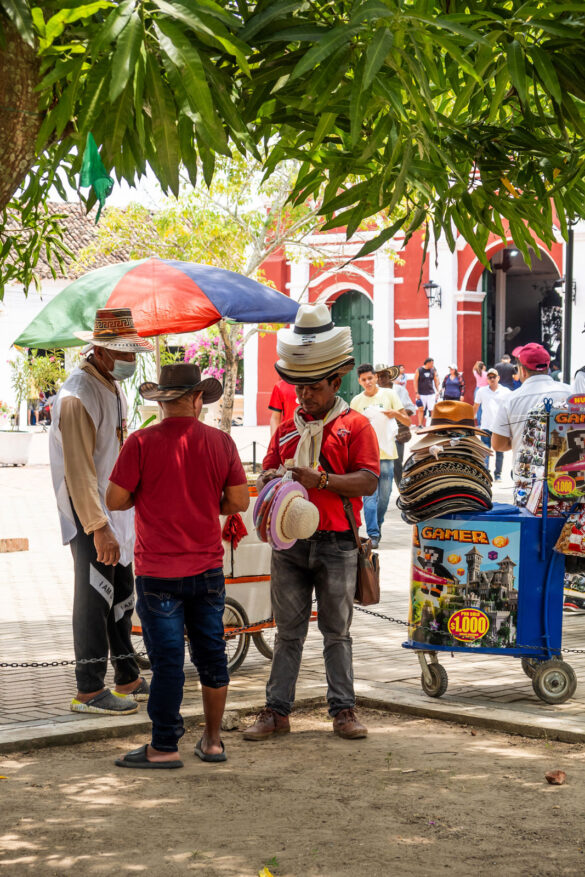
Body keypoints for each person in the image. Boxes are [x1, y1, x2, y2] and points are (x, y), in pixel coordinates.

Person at [244, 304, 379, 742]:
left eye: (314, 389)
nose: (305, 398)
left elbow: (369, 481)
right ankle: (276, 711)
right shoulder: (285, 430)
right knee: (287, 632)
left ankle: (343, 710)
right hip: (290, 546)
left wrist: (319, 479)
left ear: (335, 382)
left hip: (338, 541)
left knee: (336, 632)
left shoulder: (356, 425)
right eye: (301, 390)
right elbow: (266, 468)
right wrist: (269, 476)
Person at [107, 363, 249, 769]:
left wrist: (148, 496)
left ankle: (164, 746)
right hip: (207, 568)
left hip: (158, 574)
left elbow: (115, 499)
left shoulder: (140, 442)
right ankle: (213, 741)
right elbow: (239, 501)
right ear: (198, 398)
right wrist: (206, 503)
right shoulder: (221, 443)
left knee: (168, 660)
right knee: (212, 656)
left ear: (162, 401)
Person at [49, 308, 153, 715]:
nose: (128, 360)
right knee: (94, 597)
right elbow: (78, 470)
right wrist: (98, 527)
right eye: (121, 352)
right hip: (89, 512)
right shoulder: (78, 395)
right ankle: (88, 689)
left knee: (120, 594)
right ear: (100, 351)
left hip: (113, 510)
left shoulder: (109, 384)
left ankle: (127, 674)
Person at [351, 363, 410, 546]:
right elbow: (352, 429)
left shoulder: (390, 395)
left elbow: (407, 420)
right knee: (370, 496)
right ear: (359, 381)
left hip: (387, 454)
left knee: (384, 497)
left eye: (370, 378)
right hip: (366, 456)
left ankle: (378, 525)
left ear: (375, 378)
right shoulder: (356, 402)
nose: (368, 382)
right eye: (364, 379)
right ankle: (373, 534)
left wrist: (394, 413)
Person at [492, 343, 572, 462]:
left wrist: (519, 439)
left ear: (522, 370)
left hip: (527, 476)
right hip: (564, 477)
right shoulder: (571, 393)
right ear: (547, 367)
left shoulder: (510, 400)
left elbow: (498, 444)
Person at [375, 363, 415, 487]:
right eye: (379, 376)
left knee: (397, 463)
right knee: (380, 463)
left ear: (390, 376)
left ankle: (401, 490)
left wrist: (395, 413)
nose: (381, 379)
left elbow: (410, 409)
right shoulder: (374, 392)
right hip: (380, 433)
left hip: (398, 432)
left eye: (384, 376)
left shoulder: (399, 390)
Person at [473, 368, 511, 480]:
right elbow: (475, 407)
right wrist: (470, 420)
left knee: (499, 451)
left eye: (494, 377)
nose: (492, 379)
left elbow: (511, 408)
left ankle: (498, 474)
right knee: (485, 450)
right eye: (490, 377)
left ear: (498, 378)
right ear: (487, 379)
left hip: (500, 427)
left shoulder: (506, 391)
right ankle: (486, 473)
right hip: (486, 425)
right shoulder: (481, 391)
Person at [413, 357, 439, 426]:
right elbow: (415, 381)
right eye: (432, 363)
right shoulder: (419, 370)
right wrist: (416, 392)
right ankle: (420, 425)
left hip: (431, 394)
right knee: (421, 410)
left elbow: (436, 381)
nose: (432, 365)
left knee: (433, 410)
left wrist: (438, 391)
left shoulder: (432, 370)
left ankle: (433, 425)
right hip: (421, 394)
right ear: (428, 363)